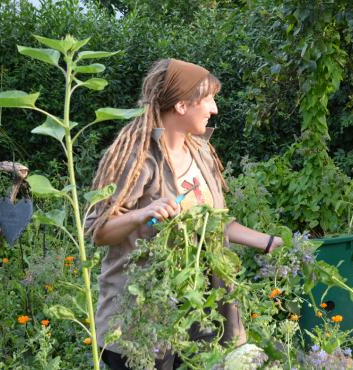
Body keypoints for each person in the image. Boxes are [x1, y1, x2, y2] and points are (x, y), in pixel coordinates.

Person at [85, 59, 284, 370]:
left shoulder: (200, 151)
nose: (214, 109)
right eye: (208, 99)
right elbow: (98, 231)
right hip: (141, 320)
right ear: (181, 105)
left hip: (197, 314)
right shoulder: (136, 159)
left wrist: (270, 242)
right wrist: (142, 214)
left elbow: (215, 223)